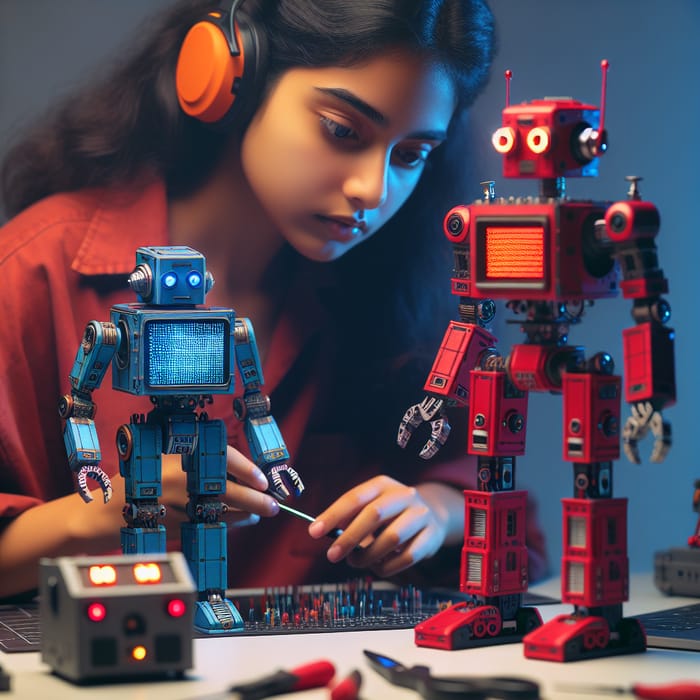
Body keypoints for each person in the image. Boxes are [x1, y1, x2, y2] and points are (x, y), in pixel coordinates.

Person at [0, 0, 548, 600]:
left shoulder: (388, 303)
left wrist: (437, 513)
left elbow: (517, 538)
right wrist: (105, 510)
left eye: (411, 154)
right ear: (231, 80)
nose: (373, 188)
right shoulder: (32, 274)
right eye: (342, 130)